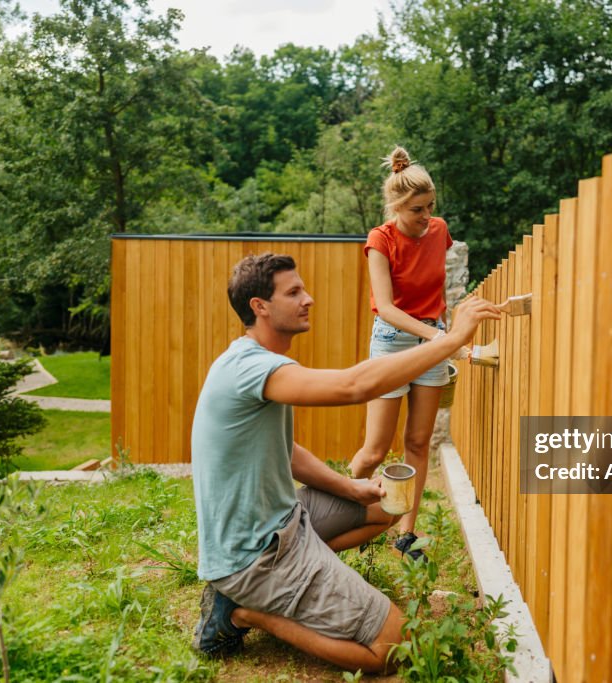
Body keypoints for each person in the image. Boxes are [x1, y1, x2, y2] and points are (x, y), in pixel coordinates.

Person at [191, 252, 499, 673]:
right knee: (396, 645)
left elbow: (288, 450)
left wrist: (349, 487)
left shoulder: (255, 362)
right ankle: (241, 612)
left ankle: (303, 579)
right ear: (259, 307)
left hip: (286, 522)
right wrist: (450, 340)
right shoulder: (248, 369)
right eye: (293, 292)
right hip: (256, 556)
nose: (309, 298)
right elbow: (353, 386)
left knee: (386, 506)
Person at [349, 146, 460, 561]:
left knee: (418, 441)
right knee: (375, 449)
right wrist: (437, 341)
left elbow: (438, 289)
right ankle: (339, 514)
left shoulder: (439, 231)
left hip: (432, 338)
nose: (426, 216)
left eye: (430, 206)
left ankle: (406, 537)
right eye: (417, 209)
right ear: (396, 206)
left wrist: (442, 330)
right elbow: (388, 307)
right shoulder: (381, 239)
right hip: (393, 343)